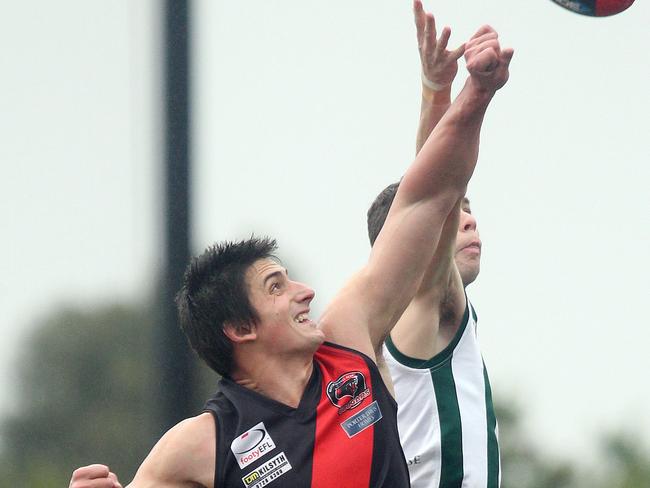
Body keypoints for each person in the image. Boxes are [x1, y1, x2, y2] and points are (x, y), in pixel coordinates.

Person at [69, 14, 513, 488]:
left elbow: (425, 197)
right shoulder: (198, 447)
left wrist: (476, 94)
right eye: (276, 287)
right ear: (240, 328)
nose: (305, 292)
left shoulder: (348, 336)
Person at [366, 4, 503, 487]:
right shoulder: (423, 306)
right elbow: (431, 194)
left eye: (469, 209)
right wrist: (444, 91)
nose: (467, 221)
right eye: (457, 212)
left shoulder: (390, 332)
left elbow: (430, 196)